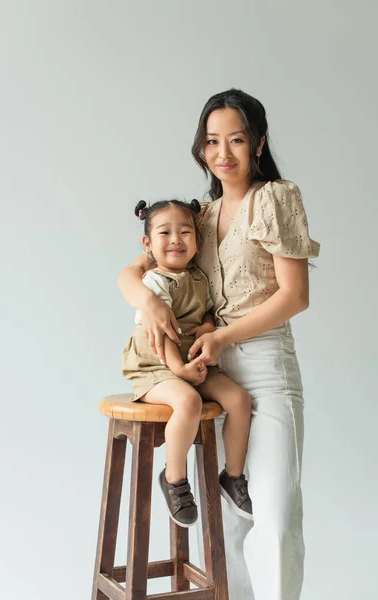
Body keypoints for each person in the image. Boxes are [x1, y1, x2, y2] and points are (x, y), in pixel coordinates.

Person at [117, 89, 320, 600]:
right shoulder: (198, 216)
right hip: (209, 371)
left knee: (272, 517)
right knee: (225, 522)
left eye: (235, 139)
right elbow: (131, 271)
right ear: (201, 148)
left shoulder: (276, 198)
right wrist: (150, 302)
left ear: (258, 143)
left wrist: (220, 334)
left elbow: (295, 297)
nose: (222, 153)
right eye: (211, 141)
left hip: (265, 365)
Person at [122, 198, 253, 528]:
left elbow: (207, 311)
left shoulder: (198, 278)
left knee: (239, 400)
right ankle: (174, 478)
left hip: (191, 363)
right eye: (165, 233)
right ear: (148, 244)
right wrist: (178, 369)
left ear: (197, 240)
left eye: (185, 232)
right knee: (188, 401)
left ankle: (232, 475)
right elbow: (160, 335)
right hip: (156, 366)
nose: (176, 240)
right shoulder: (153, 282)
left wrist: (209, 327)